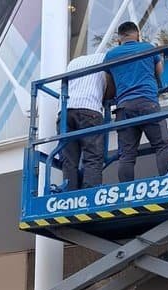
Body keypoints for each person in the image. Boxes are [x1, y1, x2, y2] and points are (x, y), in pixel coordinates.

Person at [104, 21, 168, 182]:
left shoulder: (110, 55)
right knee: (162, 145)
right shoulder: (148, 48)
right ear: (137, 35)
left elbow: (109, 85)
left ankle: (125, 189)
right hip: (148, 102)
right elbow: (159, 72)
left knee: (126, 155)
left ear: (119, 38)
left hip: (124, 107)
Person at [58, 52, 107, 191]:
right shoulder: (106, 57)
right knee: (93, 156)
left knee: (69, 160)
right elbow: (111, 87)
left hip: (65, 111)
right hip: (89, 108)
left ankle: (70, 194)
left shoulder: (73, 62)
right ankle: (89, 192)